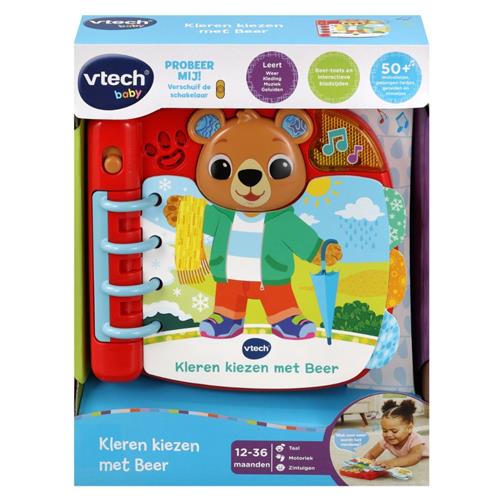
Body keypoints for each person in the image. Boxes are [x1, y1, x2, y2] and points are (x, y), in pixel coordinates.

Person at [364, 399, 428, 468]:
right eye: (385, 431)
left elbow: (414, 458)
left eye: (394, 431)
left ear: (409, 428)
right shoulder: (386, 440)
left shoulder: (416, 440)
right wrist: (363, 462)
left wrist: (391, 463)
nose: (388, 435)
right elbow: (371, 454)